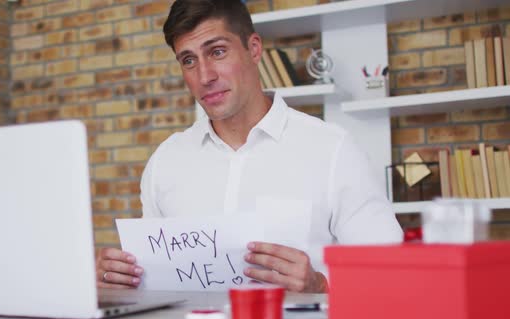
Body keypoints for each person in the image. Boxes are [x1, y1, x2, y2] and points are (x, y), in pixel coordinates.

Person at [96, 0, 402, 293]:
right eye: (188, 60)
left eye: (217, 52)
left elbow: (391, 271)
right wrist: (119, 280)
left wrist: (321, 285)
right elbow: (152, 279)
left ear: (253, 49)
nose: (204, 76)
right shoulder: (165, 161)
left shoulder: (333, 150)